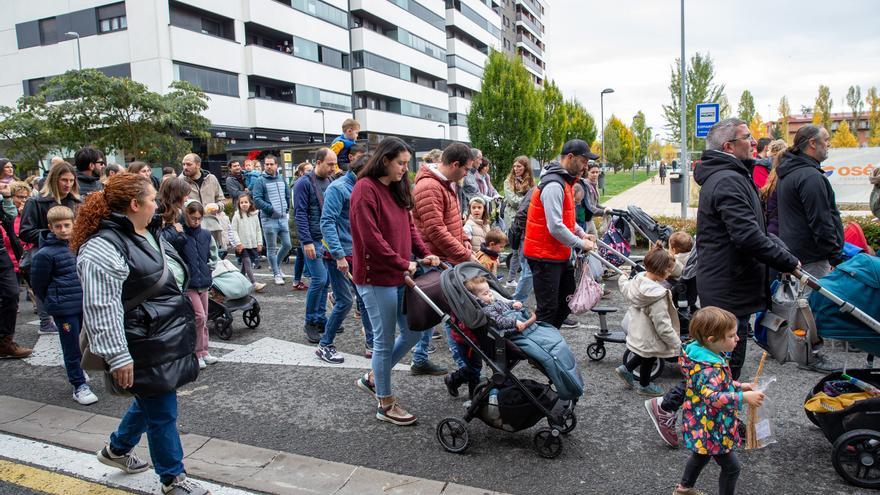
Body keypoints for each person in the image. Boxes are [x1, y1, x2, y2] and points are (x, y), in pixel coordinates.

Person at [71, 173, 207, 495]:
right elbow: (101, 308)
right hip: (140, 340)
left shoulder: (149, 228)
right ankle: (173, 479)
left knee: (151, 397)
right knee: (162, 409)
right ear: (134, 205)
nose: (156, 204)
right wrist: (118, 356)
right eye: (151, 199)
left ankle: (117, 450)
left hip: (161, 334)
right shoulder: (102, 248)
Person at [691, 118, 799, 380]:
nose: (754, 142)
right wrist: (787, 261)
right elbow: (747, 236)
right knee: (724, 369)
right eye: (747, 137)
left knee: (717, 366)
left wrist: (782, 251)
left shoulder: (733, 176)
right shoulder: (728, 180)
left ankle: (702, 414)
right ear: (728, 146)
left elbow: (754, 230)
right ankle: (690, 412)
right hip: (728, 289)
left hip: (730, 284)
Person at [350, 137, 439, 426]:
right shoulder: (365, 189)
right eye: (401, 163)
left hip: (401, 275)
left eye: (406, 163)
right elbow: (370, 238)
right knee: (384, 342)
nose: (405, 169)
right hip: (376, 279)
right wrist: (404, 262)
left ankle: (376, 376)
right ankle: (385, 404)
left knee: (413, 331)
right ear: (385, 160)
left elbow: (410, 227)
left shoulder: (397, 187)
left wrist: (425, 254)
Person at [672, 307, 765, 495]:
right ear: (711, 340)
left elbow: (720, 384)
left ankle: (684, 489)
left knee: (701, 455)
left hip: (703, 421)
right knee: (732, 468)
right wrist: (743, 398)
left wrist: (740, 386)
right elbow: (713, 397)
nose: (737, 339)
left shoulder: (707, 357)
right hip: (711, 426)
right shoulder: (708, 369)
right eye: (731, 336)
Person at [411, 142, 477, 376]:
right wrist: (465, 253)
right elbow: (435, 231)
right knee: (450, 314)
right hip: (436, 259)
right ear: (455, 164)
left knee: (436, 313)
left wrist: (464, 242)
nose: (467, 174)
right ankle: (465, 370)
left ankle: (420, 358)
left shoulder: (445, 183)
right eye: (467, 169)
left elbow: (449, 223)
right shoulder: (429, 186)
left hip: (445, 258)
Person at [523, 139, 597, 329]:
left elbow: (566, 219)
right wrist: (580, 244)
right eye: (583, 161)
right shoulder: (554, 185)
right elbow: (555, 226)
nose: (586, 167)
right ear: (570, 157)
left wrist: (581, 234)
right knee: (548, 308)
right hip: (544, 256)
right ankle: (540, 350)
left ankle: (548, 341)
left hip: (556, 253)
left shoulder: (566, 182)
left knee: (566, 301)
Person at [29, 205, 98, 405]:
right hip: (64, 308)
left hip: (83, 303)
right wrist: (53, 302)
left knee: (83, 342)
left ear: (74, 224)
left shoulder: (77, 246)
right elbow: (38, 284)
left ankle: (78, 370)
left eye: (67, 225)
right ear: (50, 227)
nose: (63, 229)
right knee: (70, 348)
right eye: (58, 226)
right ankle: (78, 386)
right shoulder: (45, 254)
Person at [318, 155, 374, 362]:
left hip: (358, 253)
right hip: (338, 255)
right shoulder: (338, 188)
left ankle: (372, 344)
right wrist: (338, 254)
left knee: (366, 301)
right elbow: (327, 222)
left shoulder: (364, 186)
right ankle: (325, 345)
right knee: (344, 302)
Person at [446, 275, 536, 398]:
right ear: (474, 298)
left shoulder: (489, 302)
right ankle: (459, 384)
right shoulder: (480, 309)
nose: (490, 295)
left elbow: (500, 306)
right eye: (485, 293)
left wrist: (512, 305)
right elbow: (498, 320)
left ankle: (472, 393)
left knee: (475, 368)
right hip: (467, 342)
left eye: (489, 291)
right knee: (474, 369)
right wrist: (514, 322)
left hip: (479, 339)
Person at [20, 161, 83, 335]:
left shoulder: (76, 201)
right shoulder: (35, 202)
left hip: (72, 252)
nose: (68, 184)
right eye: (64, 180)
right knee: (46, 286)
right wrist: (52, 234)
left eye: (71, 180)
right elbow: (25, 232)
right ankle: (45, 321)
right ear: (54, 179)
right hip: (46, 253)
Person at [776, 124, 844, 280]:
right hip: (814, 259)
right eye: (826, 140)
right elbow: (821, 221)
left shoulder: (790, 172)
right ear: (813, 143)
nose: (829, 144)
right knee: (813, 303)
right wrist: (835, 256)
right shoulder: (810, 176)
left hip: (796, 255)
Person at [614, 242, 681, 397]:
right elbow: (662, 325)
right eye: (669, 270)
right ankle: (644, 385)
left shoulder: (638, 280)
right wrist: (676, 344)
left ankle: (626, 369)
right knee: (649, 357)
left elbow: (625, 288)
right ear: (661, 271)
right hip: (650, 334)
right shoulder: (657, 296)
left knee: (643, 354)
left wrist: (622, 279)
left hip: (638, 329)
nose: (670, 274)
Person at [293, 148, 336, 343]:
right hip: (313, 239)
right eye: (330, 164)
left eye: (334, 164)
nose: (333, 168)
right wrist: (307, 241)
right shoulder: (303, 183)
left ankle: (319, 319)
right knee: (319, 279)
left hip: (326, 238)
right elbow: (300, 214)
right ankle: (310, 321)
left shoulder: (329, 180)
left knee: (325, 281)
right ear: (318, 162)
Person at [180, 201, 219, 369]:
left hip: (204, 280)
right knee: (199, 316)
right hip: (189, 283)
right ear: (185, 215)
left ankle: (204, 350)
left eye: (199, 218)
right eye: (192, 218)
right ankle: (196, 352)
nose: (195, 221)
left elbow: (214, 254)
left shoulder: (205, 234)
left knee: (204, 317)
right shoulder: (180, 235)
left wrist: (210, 267)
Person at [252, 154, 292, 286]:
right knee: (271, 248)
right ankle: (276, 273)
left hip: (282, 218)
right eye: (267, 164)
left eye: (271, 164)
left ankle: (275, 265)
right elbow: (256, 199)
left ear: (276, 165)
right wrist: (271, 209)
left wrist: (286, 208)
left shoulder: (281, 178)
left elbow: (287, 194)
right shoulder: (260, 181)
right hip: (269, 219)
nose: (269, 166)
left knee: (287, 245)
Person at [0, 183, 30, 358]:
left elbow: (10, 216)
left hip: (1, 251)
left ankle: (5, 341)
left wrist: (7, 197)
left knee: (11, 293)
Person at [502, 156, 534, 286]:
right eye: (514, 166)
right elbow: (513, 201)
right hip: (513, 220)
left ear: (525, 167)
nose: (516, 169)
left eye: (519, 166)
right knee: (517, 250)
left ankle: (512, 279)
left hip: (527, 220)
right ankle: (518, 280)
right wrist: (528, 200)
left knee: (522, 250)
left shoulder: (530, 182)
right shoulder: (508, 182)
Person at [230, 193, 265, 292]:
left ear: (250, 203)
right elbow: (234, 230)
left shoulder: (254, 215)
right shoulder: (236, 216)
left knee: (245, 267)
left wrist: (259, 242)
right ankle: (254, 283)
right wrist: (238, 243)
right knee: (247, 262)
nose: (244, 204)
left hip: (252, 244)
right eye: (241, 202)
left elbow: (258, 229)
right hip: (242, 245)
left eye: (246, 202)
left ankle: (238, 283)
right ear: (238, 204)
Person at [290, 162, 313, 290]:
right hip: (299, 224)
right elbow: (297, 208)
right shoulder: (297, 185)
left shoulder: (308, 183)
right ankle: (307, 277)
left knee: (301, 254)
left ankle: (297, 280)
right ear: (301, 172)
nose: (311, 172)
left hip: (301, 223)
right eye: (308, 170)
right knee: (304, 253)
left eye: (312, 170)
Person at [757, 139, 788, 236]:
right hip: (781, 227)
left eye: (768, 151)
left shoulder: (771, 172)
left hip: (773, 226)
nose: (767, 154)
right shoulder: (787, 175)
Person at [583, 162, 610, 236]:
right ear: (587, 172)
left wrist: (605, 208)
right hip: (583, 220)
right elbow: (589, 206)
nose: (595, 174)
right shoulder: (585, 186)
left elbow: (596, 204)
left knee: (595, 242)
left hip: (590, 219)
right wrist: (603, 212)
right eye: (592, 172)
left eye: (597, 172)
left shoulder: (594, 184)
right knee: (586, 244)